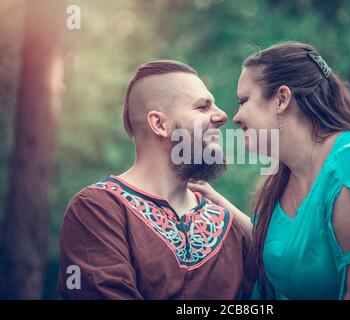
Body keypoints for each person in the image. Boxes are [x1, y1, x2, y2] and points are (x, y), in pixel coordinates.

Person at [188, 41, 350, 300]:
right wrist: (220, 205)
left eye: (243, 100)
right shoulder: (283, 180)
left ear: (281, 99)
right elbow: (285, 248)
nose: (235, 117)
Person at [58, 60, 252, 299]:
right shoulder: (97, 209)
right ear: (159, 124)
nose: (222, 116)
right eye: (203, 107)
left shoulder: (230, 225)